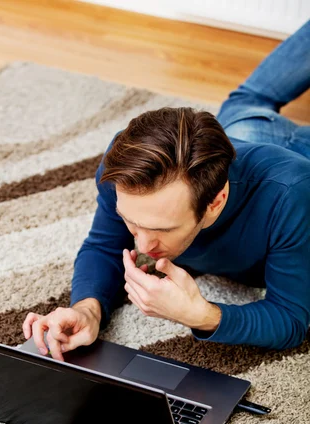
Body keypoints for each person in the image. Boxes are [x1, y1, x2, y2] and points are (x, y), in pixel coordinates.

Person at [23, 20, 310, 360]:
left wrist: (201, 314)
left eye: (161, 229)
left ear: (215, 202)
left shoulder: (290, 194)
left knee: (252, 116)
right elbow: (103, 244)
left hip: (283, 148)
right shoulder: (126, 168)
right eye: (132, 222)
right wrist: (88, 308)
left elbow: (291, 319)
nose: (142, 246)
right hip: (233, 136)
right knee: (246, 102)